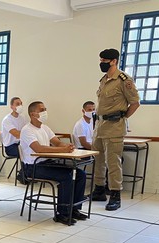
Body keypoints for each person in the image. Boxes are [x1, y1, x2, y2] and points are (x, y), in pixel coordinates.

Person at [19, 101, 87, 225]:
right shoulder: (27, 130)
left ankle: (74, 209)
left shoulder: (45, 127)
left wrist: (67, 146)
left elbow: (57, 142)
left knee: (80, 174)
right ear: (33, 114)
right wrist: (62, 149)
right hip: (33, 167)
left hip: (47, 162)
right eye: (42, 110)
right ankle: (62, 213)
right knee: (66, 177)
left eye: (45, 109)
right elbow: (38, 149)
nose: (45, 112)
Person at [92, 48, 140, 211]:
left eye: (104, 61)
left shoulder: (123, 80)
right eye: (100, 61)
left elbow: (135, 103)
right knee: (98, 159)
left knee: (112, 162)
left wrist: (122, 117)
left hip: (114, 126)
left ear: (114, 61)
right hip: (99, 126)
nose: (101, 64)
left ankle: (115, 195)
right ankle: (99, 189)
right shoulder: (104, 79)